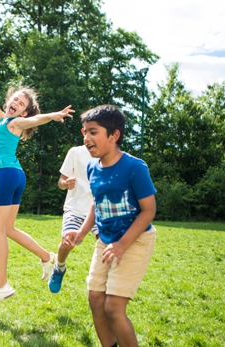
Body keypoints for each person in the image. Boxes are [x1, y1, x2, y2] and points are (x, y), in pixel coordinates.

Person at [0, 50, 75, 306]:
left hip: (7, 175)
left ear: (24, 114)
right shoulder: (2, 119)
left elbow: (37, 119)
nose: (15, 104)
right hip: (16, 175)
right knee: (8, 229)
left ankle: (1, 285)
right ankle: (47, 257)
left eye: (21, 104)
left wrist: (53, 116)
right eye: (14, 99)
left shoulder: (15, 124)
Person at [64, 105, 157, 347]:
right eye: (84, 132)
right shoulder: (92, 167)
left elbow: (149, 211)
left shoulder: (134, 167)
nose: (86, 138)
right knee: (95, 299)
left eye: (93, 132)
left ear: (114, 135)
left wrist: (122, 244)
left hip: (135, 241)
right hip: (106, 241)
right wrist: (81, 233)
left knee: (113, 307)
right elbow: (97, 204)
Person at [48, 145, 99, 294]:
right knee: (67, 242)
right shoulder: (75, 152)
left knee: (105, 242)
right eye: (87, 131)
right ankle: (59, 267)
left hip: (99, 209)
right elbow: (61, 181)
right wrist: (65, 183)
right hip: (75, 208)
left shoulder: (109, 154)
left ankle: (101, 280)